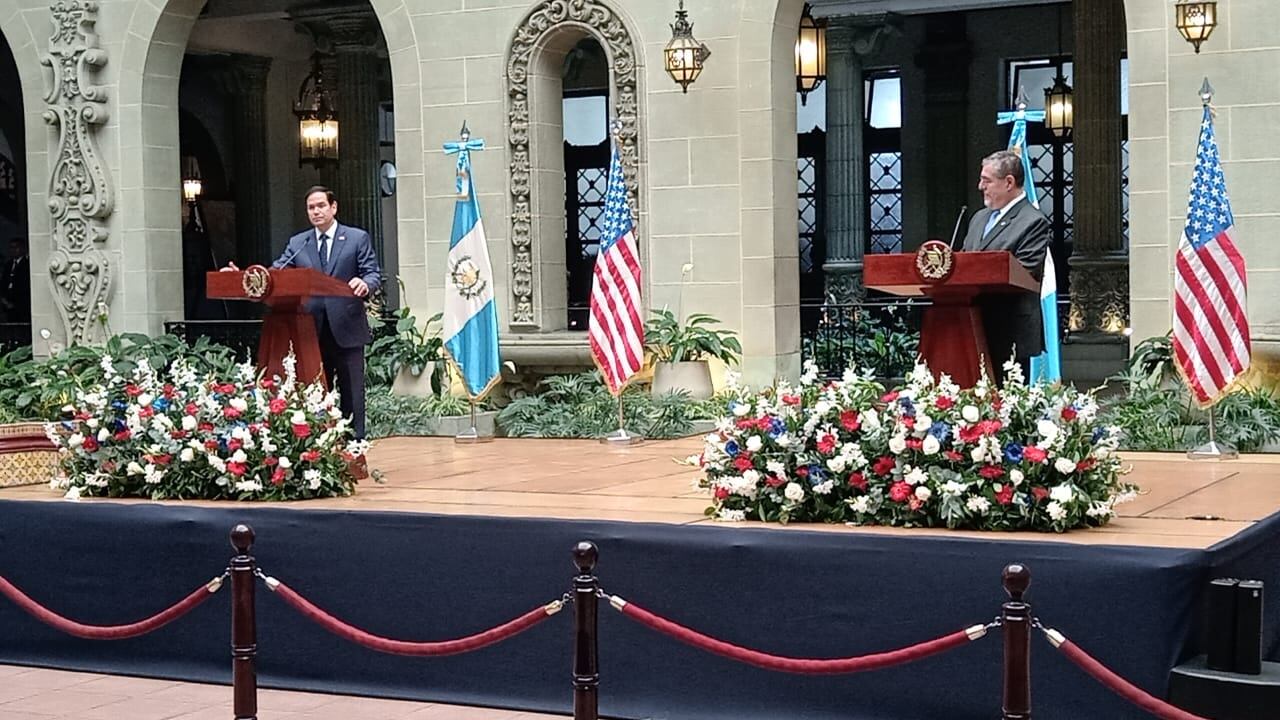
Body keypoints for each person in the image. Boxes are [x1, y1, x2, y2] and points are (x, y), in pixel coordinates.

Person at [226, 186, 381, 439]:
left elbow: (372, 272)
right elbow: (276, 273)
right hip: (309, 331)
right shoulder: (299, 242)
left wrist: (366, 284)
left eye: (321, 206)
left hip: (346, 329)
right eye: (311, 207)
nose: (316, 211)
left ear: (333, 207)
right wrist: (246, 277)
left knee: (352, 394)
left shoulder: (356, 238)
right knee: (316, 391)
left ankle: (355, 447)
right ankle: (323, 446)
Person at [961, 150, 1051, 380]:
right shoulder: (979, 218)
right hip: (972, 324)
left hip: (1008, 328)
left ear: (1009, 182)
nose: (981, 186)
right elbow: (963, 259)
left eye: (987, 180)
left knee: (1004, 406)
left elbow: (1025, 271)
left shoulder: (1032, 221)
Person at [0, 237, 30, 323]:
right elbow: (4, 282)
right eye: (11, 247)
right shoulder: (8, 265)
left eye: (16, 247)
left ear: (23, 248)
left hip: (22, 304)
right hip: (7, 304)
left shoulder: (27, 264)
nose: (13, 250)